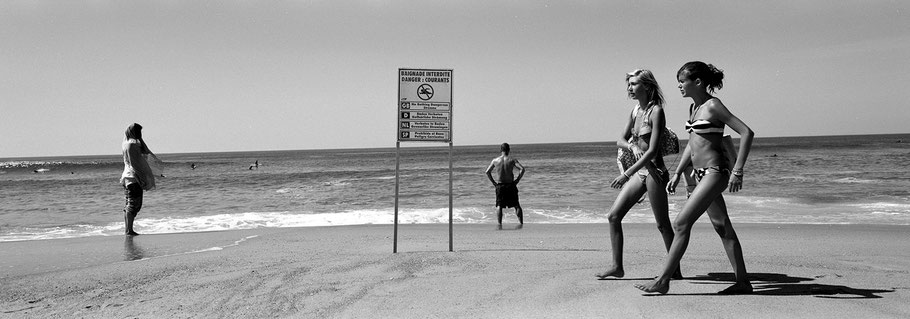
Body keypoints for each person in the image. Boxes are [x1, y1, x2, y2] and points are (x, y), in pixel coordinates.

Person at [635, 61, 755, 294]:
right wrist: (679, 172)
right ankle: (743, 283)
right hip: (699, 175)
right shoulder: (694, 109)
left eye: (682, 82)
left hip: (715, 172)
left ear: (697, 82)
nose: (679, 86)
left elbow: (746, 132)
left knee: (681, 222)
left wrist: (738, 170)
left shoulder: (713, 106)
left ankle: (663, 280)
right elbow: (693, 144)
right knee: (723, 227)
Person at [596, 69, 679, 279]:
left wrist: (626, 174)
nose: (629, 88)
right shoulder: (635, 111)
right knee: (613, 216)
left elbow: (652, 150)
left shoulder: (656, 112)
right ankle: (617, 267)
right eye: (629, 84)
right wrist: (631, 148)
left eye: (634, 84)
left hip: (655, 173)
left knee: (662, 224)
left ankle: (675, 269)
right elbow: (620, 140)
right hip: (640, 172)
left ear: (647, 86)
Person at [120, 123, 157, 236]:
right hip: (133, 178)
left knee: (129, 204)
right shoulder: (133, 145)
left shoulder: (125, 144)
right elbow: (144, 153)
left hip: (126, 178)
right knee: (134, 205)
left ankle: (128, 229)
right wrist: (141, 177)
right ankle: (129, 230)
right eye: (139, 132)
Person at [485, 143, 525, 228]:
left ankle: (499, 224)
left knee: (499, 205)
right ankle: (521, 223)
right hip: (511, 185)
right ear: (509, 150)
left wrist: (494, 183)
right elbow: (522, 169)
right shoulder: (512, 160)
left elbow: (487, 172)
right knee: (516, 205)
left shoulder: (495, 160)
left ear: (501, 150)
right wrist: (517, 180)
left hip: (500, 185)